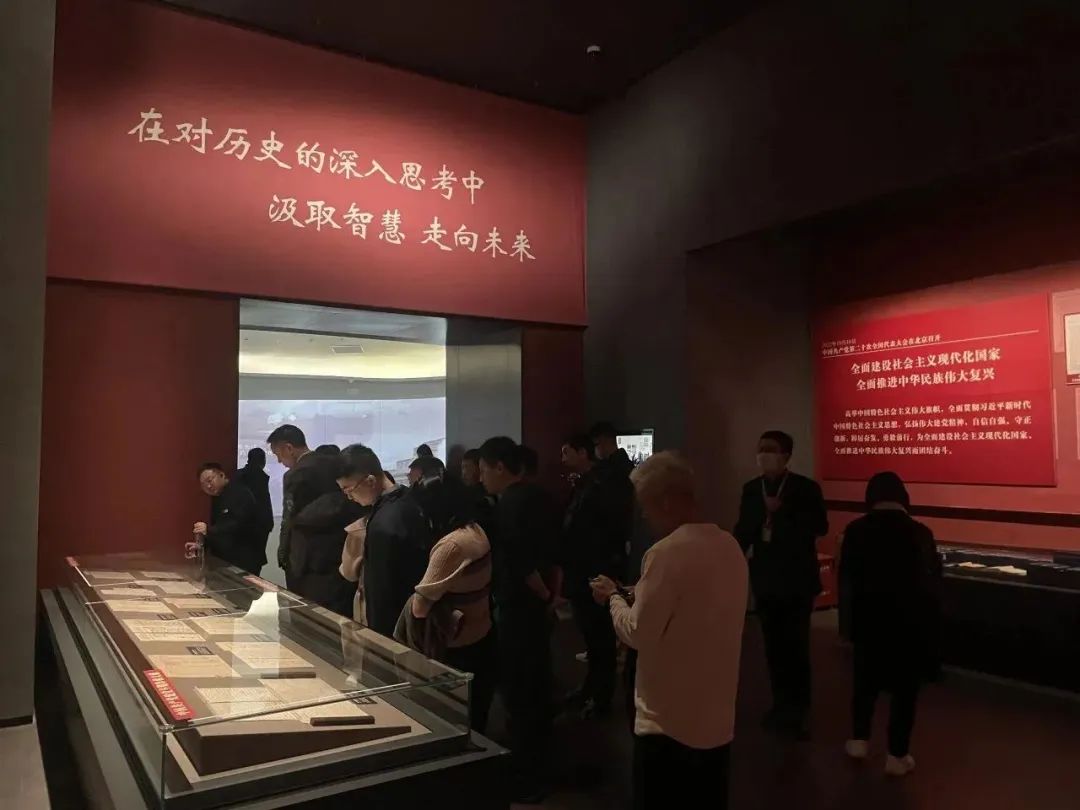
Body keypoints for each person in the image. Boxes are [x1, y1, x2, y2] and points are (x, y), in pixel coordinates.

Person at [591, 452, 747, 810]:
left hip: (668, 721)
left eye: (645, 506)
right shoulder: (729, 546)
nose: (644, 517)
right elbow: (695, 605)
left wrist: (613, 597)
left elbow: (637, 632)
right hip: (716, 717)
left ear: (665, 501)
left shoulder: (665, 553)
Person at [840, 472, 941, 777]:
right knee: (904, 692)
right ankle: (897, 754)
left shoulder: (855, 530)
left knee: (864, 685)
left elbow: (847, 580)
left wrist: (848, 625)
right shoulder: (920, 532)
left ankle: (859, 740)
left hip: (868, 621)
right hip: (907, 625)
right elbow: (932, 584)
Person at [734, 430, 828, 739]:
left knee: (796, 646)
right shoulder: (752, 489)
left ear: (786, 455)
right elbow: (743, 531)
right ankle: (779, 704)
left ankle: (798, 708)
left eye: (771, 449)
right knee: (773, 647)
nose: (764, 455)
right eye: (761, 449)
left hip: (797, 579)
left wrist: (782, 512)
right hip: (766, 579)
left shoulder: (805, 488)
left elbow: (820, 526)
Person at [480, 435, 558, 802]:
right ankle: (539, 767)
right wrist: (549, 596)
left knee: (520, 690)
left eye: (484, 470)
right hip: (536, 608)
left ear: (500, 467)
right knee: (536, 685)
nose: (481, 478)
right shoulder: (538, 496)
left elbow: (520, 559)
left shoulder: (509, 505)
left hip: (519, 608)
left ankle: (528, 777)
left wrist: (540, 592)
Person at [406, 474, 497, 733]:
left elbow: (420, 607)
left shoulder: (451, 545)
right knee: (477, 712)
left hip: (456, 640)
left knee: (452, 717)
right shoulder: (475, 529)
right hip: (481, 632)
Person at [559, 433, 630, 718]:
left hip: (594, 570)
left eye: (567, 451)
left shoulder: (601, 485)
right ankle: (592, 688)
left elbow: (604, 530)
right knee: (592, 637)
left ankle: (601, 697)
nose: (563, 458)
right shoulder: (587, 483)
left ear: (582, 452)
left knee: (600, 637)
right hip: (583, 570)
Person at [336, 444, 432, 638]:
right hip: (413, 612)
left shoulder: (382, 524)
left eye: (349, 490)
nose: (349, 497)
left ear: (370, 481)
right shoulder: (408, 497)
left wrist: (379, 638)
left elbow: (380, 591)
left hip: (395, 625)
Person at [267, 425, 340, 590]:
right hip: (337, 553)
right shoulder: (336, 464)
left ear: (289, 448)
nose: (279, 461)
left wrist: (283, 552)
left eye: (278, 455)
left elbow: (289, 517)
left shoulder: (295, 474)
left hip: (306, 556)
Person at [193, 462, 266, 574]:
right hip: (225, 559)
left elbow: (238, 524)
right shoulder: (217, 497)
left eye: (210, 480)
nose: (208, 486)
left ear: (221, 475)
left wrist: (209, 530)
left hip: (243, 559)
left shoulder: (240, 493)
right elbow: (220, 528)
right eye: (203, 485)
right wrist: (202, 544)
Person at [234, 448, 274, 563]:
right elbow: (264, 502)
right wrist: (269, 524)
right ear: (263, 460)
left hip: (239, 524)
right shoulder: (261, 477)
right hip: (258, 525)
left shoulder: (238, 475)